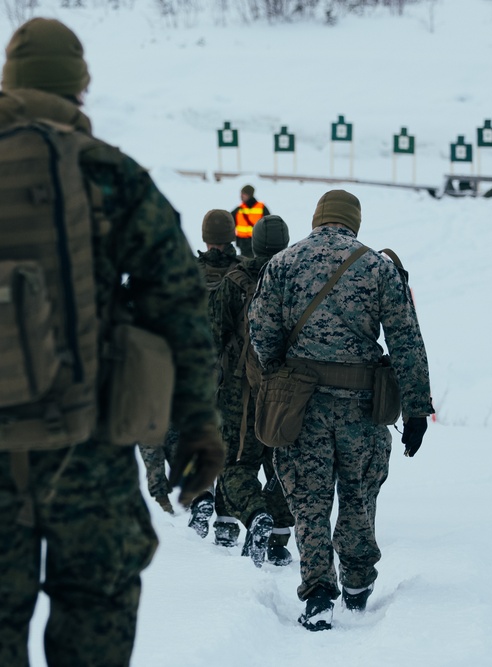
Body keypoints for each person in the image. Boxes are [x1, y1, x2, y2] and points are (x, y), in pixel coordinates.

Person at [0, 17, 224, 667]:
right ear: (79, 90)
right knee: (95, 610)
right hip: (87, 452)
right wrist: (198, 427)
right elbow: (180, 304)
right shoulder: (110, 176)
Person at [248, 190, 433, 631]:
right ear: (354, 221)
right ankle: (355, 581)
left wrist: (281, 373)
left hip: (301, 406)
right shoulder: (377, 266)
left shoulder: (283, 263)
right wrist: (416, 411)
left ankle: (317, 593)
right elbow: (406, 341)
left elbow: (260, 328)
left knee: (309, 504)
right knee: (358, 496)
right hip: (363, 409)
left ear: (316, 219)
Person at [139, 209, 241, 517]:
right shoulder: (244, 274)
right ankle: (226, 514)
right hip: (235, 372)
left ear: (206, 238)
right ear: (232, 236)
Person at [211, 215, 295, 566]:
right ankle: (278, 539)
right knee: (281, 463)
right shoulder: (298, 279)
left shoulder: (235, 281)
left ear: (254, 244)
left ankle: (254, 514)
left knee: (234, 464)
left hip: (239, 393)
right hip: (289, 391)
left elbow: (212, 334)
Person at [231, 184, 270, 257]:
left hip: (257, 244)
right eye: (241, 194)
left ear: (250, 194)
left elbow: (270, 224)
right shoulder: (239, 209)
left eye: (243, 194)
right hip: (243, 245)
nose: (241, 196)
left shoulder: (261, 207)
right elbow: (228, 221)